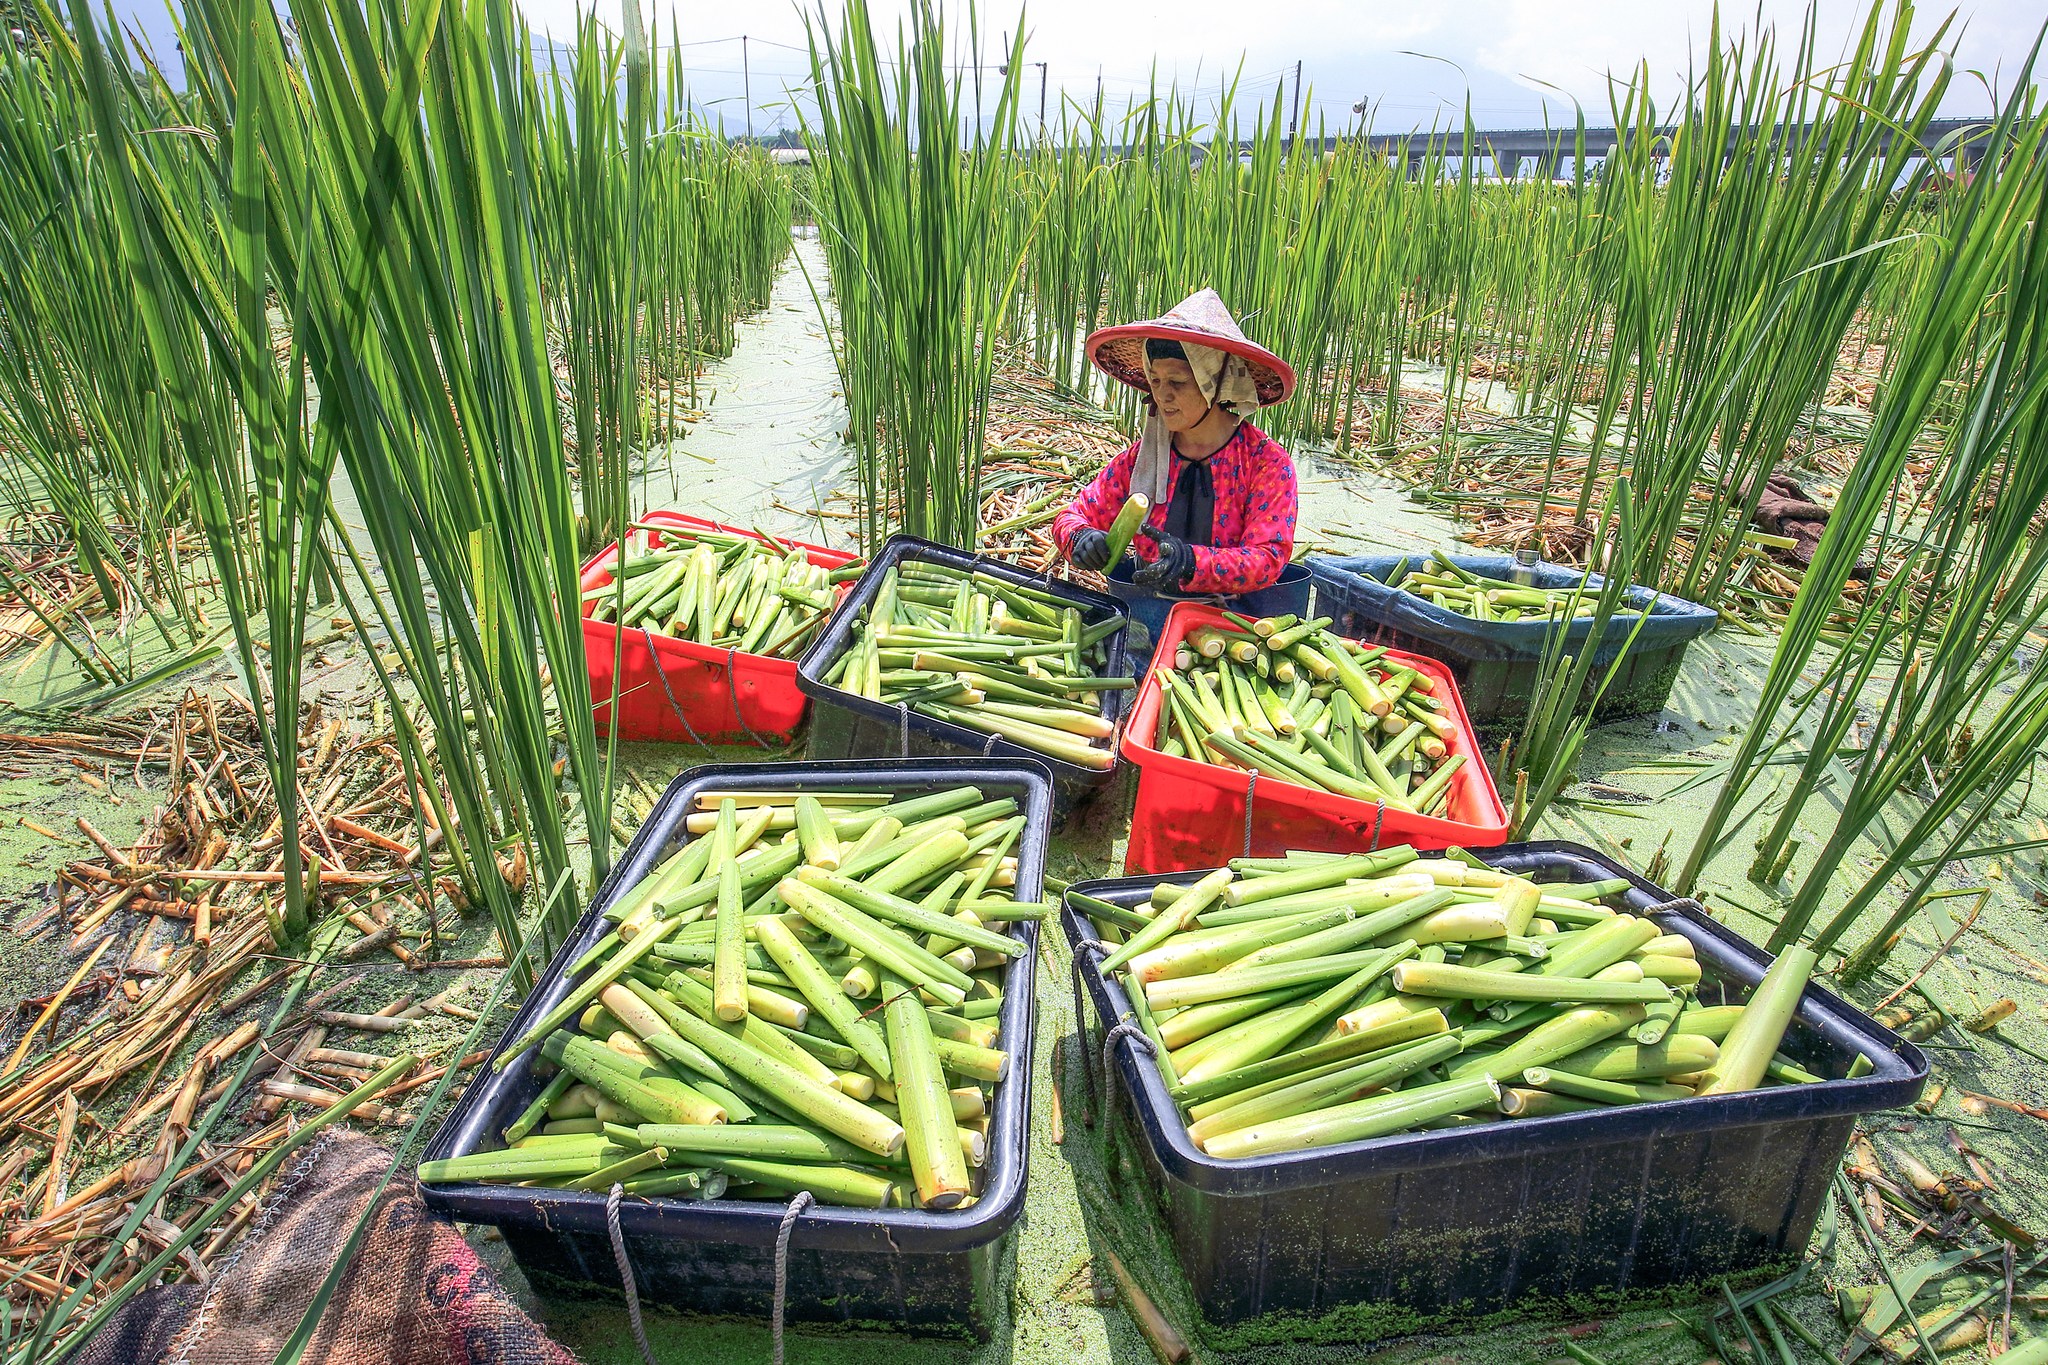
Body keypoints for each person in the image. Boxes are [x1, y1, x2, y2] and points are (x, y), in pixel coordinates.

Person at [1052, 288, 1298, 596]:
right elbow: (1072, 515)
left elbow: (1268, 557)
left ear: (1215, 384)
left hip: (1235, 626)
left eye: (1177, 382)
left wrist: (1192, 562)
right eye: (1155, 380)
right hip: (1148, 607)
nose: (1162, 395)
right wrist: (1080, 538)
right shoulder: (1145, 458)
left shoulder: (1265, 463)